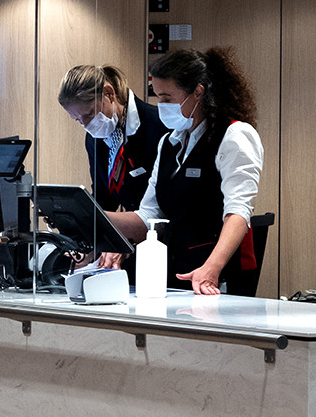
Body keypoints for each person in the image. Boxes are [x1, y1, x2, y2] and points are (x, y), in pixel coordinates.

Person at [104, 47, 264, 295]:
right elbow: (148, 215)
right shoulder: (168, 143)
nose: (160, 106)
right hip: (177, 273)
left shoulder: (234, 135)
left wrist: (212, 268)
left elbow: (238, 212)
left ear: (198, 92)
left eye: (167, 98)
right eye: (157, 97)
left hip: (218, 276)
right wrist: (92, 217)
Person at [57, 63, 168, 216]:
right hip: (129, 233)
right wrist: (69, 215)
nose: (87, 125)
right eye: (79, 120)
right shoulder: (94, 138)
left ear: (109, 93)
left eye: (89, 114)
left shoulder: (159, 125)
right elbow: (103, 200)